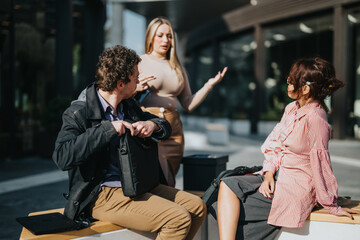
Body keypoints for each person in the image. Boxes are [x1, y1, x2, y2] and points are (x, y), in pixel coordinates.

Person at [53, 45, 206, 240]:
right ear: (120, 84)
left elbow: (163, 125)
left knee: (197, 207)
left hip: (137, 184)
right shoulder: (78, 112)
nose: (138, 80)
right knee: (178, 219)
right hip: (101, 194)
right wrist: (109, 129)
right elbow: (62, 156)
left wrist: (152, 125)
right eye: (135, 76)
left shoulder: (129, 106)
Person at [216, 57, 360, 240]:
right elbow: (275, 143)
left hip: (295, 188)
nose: (288, 82)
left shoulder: (316, 118)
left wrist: (331, 205)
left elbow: (321, 164)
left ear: (306, 89)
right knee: (227, 184)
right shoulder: (291, 108)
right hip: (278, 178)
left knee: (232, 195)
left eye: (292, 80)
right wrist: (268, 173)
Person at [136, 17, 228, 186]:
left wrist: (208, 85)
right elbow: (122, 95)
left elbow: (188, 103)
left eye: (169, 36)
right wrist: (136, 89)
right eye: (160, 35)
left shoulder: (177, 66)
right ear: (151, 37)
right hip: (151, 130)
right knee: (163, 181)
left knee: (170, 182)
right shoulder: (139, 62)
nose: (166, 40)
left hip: (175, 131)